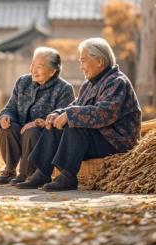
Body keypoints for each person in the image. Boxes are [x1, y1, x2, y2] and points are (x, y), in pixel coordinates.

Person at [17, 37, 142, 191]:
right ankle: (42, 173)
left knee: (75, 125)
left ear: (100, 62)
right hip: (97, 136)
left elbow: (105, 113)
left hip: (116, 140)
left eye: (83, 61)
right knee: (54, 125)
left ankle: (67, 177)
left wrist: (69, 115)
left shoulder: (117, 82)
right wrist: (57, 113)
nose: (80, 66)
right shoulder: (89, 84)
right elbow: (75, 106)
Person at [0, 47, 75, 186]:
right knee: (7, 128)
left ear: (52, 71)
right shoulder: (22, 82)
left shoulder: (64, 89)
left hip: (43, 134)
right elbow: (11, 107)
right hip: (20, 130)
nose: (33, 70)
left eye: (39, 67)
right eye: (32, 65)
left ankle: (27, 173)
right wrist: (5, 116)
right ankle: (9, 169)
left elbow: (61, 116)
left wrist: (40, 122)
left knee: (31, 131)